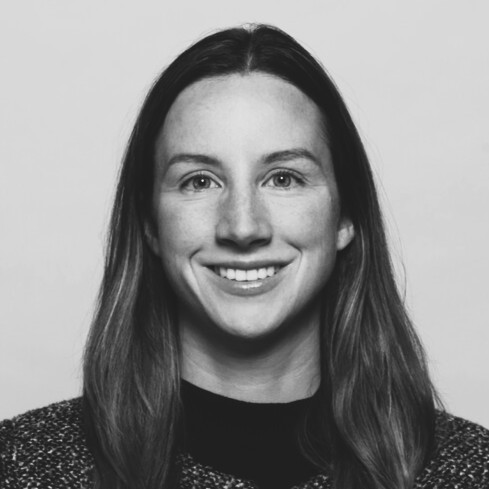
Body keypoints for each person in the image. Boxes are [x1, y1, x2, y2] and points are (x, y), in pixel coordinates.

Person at [0, 24, 488, 489]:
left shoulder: (473, 470)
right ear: (150, 223)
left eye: (283, 178)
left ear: (345, 215)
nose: (242, 227)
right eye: (199, 181)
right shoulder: (20, 465)